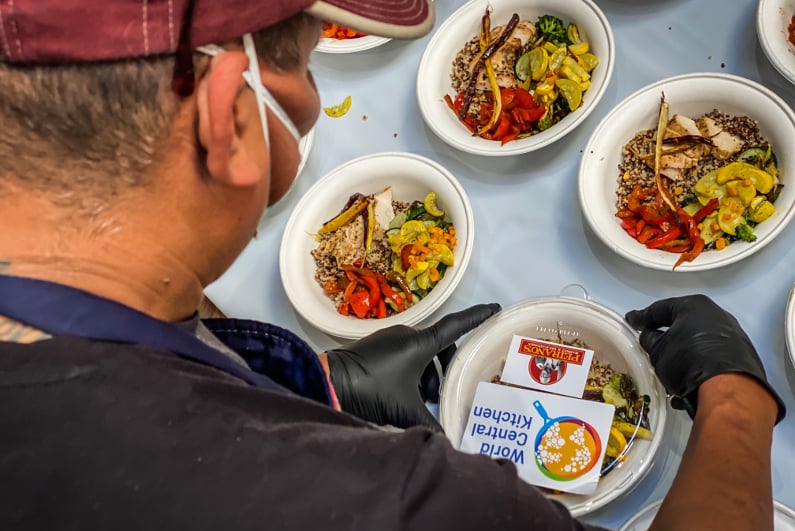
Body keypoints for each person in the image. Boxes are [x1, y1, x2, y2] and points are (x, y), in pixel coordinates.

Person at [0, 1, 785, 530]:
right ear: (228, 118)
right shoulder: (377, 499)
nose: (309, 99)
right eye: (305, 68)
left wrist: (320, 384)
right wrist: (736, 404)